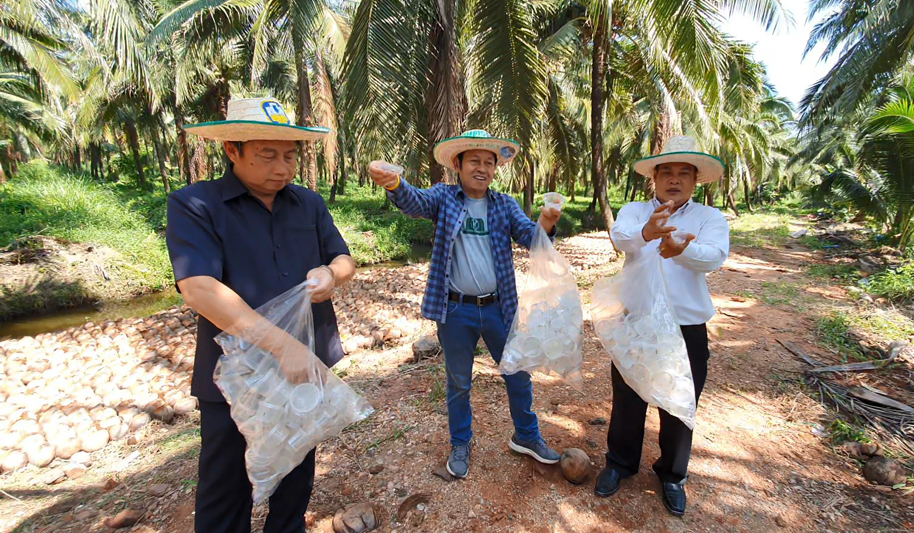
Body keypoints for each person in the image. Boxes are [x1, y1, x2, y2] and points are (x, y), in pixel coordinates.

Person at [166, 97, 356, 533]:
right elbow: (199, 288)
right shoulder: (196, 205)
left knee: (295, 476)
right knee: (226, 486)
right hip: (235, 376)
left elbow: (344, 258)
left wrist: (331, 274)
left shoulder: (308, 204)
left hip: (304, 367)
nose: (282, 168)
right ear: (233, 149)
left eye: (289, 156)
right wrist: (282, 345)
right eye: (267, 155)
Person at [368, 129, 562, 479]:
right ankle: (461, 443)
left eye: (490, 163)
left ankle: (527, 436)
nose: (483, 168)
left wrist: (546, 222)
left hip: (499, 308)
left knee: (518, 372)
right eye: (475, 160)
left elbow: (533, 240)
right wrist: (395, 184)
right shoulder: (444, 197)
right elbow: (415, 201)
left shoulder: (504, 205)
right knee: (459, 381)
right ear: (457, 164)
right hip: (455, 310)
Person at [593, 135, 730, 517]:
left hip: (687, 325)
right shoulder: (636, 211)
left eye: (683, 173)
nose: (674, 179)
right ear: (653, 177)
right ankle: (619, 464)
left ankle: (672, 474)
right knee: (628, 397)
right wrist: (648, 234)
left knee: (681, 401)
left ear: (695, 180)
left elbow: (715, 256)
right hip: (636, 319)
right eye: (666, 171)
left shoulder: (708, 218)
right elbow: (622, 240)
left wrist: (683, 250)